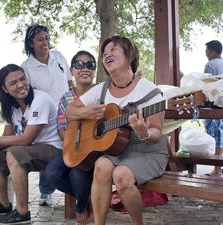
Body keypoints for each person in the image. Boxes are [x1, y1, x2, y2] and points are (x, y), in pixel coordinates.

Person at [65, 36, 168, 225]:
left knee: (120, 175)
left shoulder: (149, 91)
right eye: (104, 53)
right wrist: (87, 111)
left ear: (129, 56)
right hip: (119, 149)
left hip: (148, 151)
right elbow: (70, 111)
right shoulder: (102, 89)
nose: (107, 55)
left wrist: (143, 132)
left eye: (113, 50)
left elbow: (156, 133)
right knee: (101, 167)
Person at [0, 64, 62, 224]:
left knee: (14, 153)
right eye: (13, 83)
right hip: (33, 150)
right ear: (5, 88)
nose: (20, 84)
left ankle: (22, 212)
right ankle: (4, 204)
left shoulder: (40, 99)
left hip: (54, 149)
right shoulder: (12, 106)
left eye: (22, 79)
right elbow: (6, 137)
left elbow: (26, 139)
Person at [21, 24, 72, 205]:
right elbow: (27, 95)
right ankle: (46, 190)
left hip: (67, 112)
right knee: (48, 148)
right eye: (40, 39)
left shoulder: (58, 57)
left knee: (71, 147)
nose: (45, 42)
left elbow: (69, 82)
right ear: (31, 43)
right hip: (46, 116)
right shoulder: (26, 67)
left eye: (47, 38)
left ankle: (74, 191)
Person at [43, 50, 96, 225]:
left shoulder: (102, 94)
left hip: (97, 150)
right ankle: (86, 197)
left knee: (77, 172)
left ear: (95, 70)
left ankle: (81, 206)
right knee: (50, 175)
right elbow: (62, 129)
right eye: (79, 65)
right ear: (72, 71)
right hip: (72, 147)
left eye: (90, 64)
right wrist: (77, 144)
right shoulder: (66, 98)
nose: (85, 68)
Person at [203, 40, 223, 176]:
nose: (205, 54)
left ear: (213, 52)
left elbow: (206, 85)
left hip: (216, 105)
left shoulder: (211, 64)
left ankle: (216, 170)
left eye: (207, 51)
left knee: (216, 136)